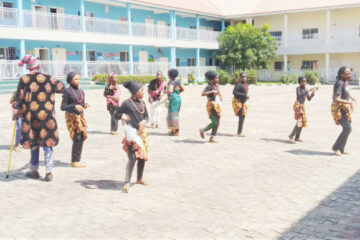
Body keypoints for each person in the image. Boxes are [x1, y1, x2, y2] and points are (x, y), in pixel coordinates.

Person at [13, 55, 64, 181]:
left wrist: (16, 114)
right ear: (38, 65)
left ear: (28, 67)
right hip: (47, 117)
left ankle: (34, 170)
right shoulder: (50, 79)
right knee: (47, 141)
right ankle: (48, 172)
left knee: (34, 141)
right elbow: (63, 89)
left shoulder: (24, 79)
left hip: (31, 116)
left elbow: (19, 100)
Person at [115, 81, 149, 193]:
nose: (143, 92)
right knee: (132, 158)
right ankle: (127, 182)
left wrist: (144, 121)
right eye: (141, 90)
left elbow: (146, 116)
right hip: (131, 134)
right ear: (135, 92)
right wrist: (122, 117)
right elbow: (117, 114)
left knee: (142, 157)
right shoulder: (126, 103)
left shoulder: (143, 103)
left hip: (141, 135)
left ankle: (139, 178)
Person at [61, 72, 89, 168]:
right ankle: (74, 161)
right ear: (70, 81)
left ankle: (78, 160)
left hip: (80, 117)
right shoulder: (67, 92)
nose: (78, 81)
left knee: (81, 137)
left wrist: (84, 105)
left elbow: (81, 104)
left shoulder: (81, 92)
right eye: (76, 79)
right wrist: (74, 106)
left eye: (79, 78)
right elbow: (63, 107)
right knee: (76, 138)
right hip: (71, 117)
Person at [331, 67, 356, 156]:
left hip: (345, 109)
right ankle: (335, 147)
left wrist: (351, 97)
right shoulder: (340, 83)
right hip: (340, 109)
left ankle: (341, 149)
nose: (349, 75)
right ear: (341, 75)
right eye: (347, 74)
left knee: (347, 129)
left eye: (350, 73)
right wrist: (349, 102)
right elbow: (336, 98)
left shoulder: (345, 82)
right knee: (347, 128)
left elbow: (345, 93)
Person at [288, 77, 318, 142]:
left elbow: (309, 99)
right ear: (299, 82)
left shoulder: (306, 89)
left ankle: (297, 137)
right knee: (299, 121)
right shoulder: (298, 88)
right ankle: (291, 135)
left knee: (302, 122)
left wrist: (312, 94)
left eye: (305, 81)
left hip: (302, 106)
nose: (304, 82)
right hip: (298, 105)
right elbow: (299, 96)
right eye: (302, 81)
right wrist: (308, 91)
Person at [199, 71, 222, 143]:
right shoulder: (209, 86)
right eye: (216, 79)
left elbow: (218, 93)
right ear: (212, 79)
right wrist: (211, 91)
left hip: (217, 104)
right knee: (215, 122)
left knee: (217, 122)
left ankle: (212, 138)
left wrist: (218, 88)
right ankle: (203, 130)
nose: (218, 80)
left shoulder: (216, 85)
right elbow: (202, 94)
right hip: (211, 105)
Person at [167, 69, 184, 136]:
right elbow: (183, 89)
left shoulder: (171, 82)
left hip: (173, 99)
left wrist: (165, 92)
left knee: (173, 115)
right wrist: (177, 93)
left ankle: (176, 131)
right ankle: (173, 130)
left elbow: (170, 91)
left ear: (170, 75)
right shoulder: (178, 81)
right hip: (178, 98)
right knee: (175, 114)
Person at [232, 72, 249, 137]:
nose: (244, 78)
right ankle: (239, 132)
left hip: (243, 102)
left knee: (242, 117)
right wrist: (245, 95)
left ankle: (239, 132)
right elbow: (235, 93)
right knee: (241, 116)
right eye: (243, 77)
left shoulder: (245, 84)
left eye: (245, 77)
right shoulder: (238, 84)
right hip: (238, 102)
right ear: (240, 77)